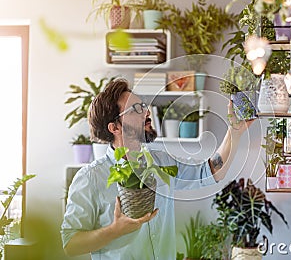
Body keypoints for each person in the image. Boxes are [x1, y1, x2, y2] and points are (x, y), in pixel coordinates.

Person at [61, 77, 253, 259]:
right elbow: (70, 244)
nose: (146, 112)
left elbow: (210, 172)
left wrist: (234, 133)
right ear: (115, 128)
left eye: (143, 106)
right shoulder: (90, 178)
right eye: (135, 109)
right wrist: (115, 231)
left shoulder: (161, 161)